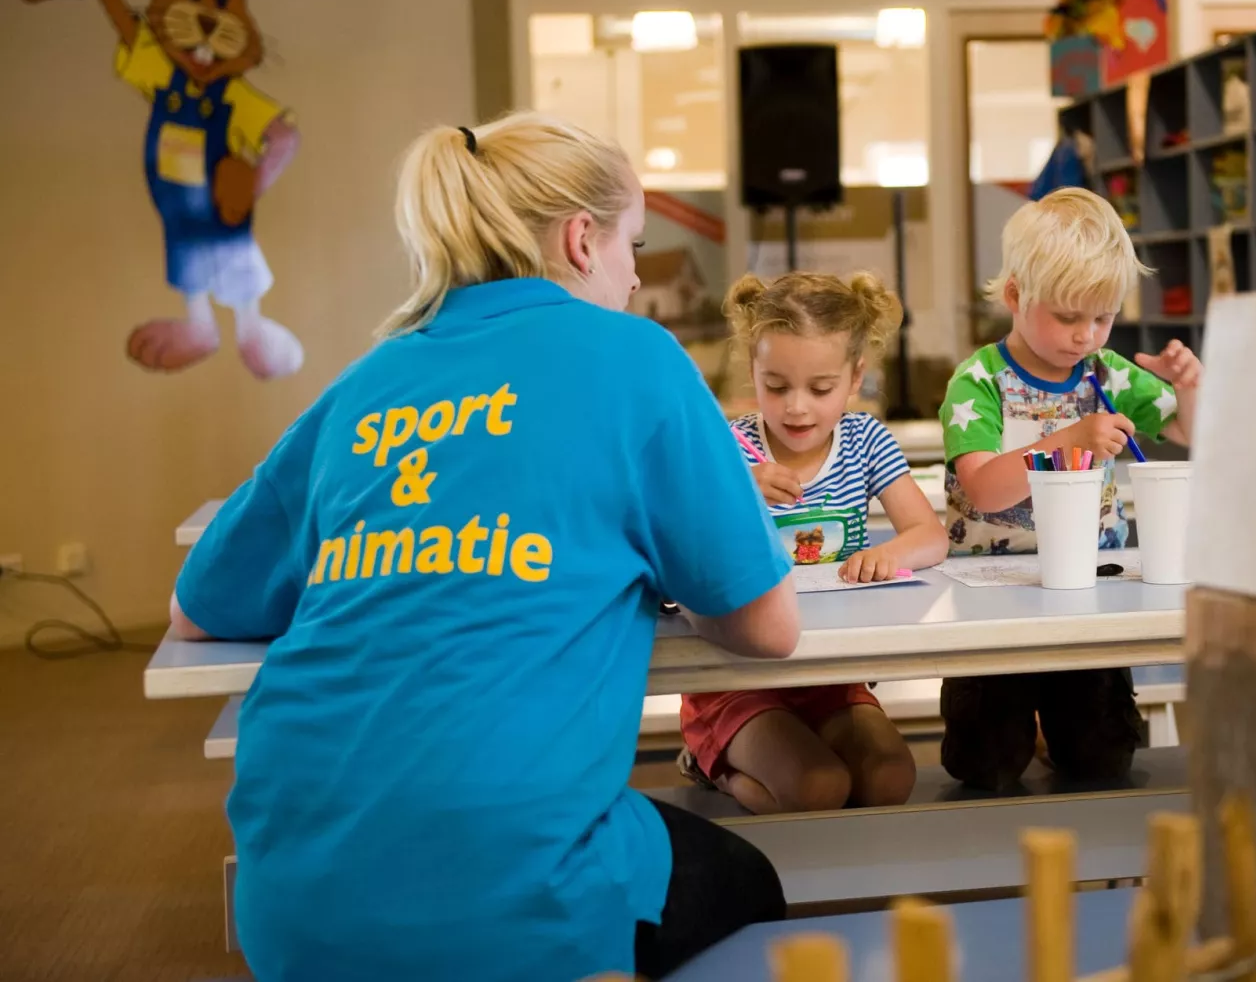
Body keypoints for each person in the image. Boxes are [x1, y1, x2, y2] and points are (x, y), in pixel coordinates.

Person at [169, 113, 799, 982]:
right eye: (634, 247)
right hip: (504, 876)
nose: (633, 275)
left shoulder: (371, 378)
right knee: (748, 886)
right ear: (583, 240)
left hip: (293, 877)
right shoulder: (636, 356)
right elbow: (768, 626)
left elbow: (195, 608)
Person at [937, 187, 1204, 790]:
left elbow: (1188, 429)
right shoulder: (979, 381)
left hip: (1091, 594)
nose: (1087, 335)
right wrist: (1067, 437)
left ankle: (1055, 730)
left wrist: (1190, 384)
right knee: (984, 764)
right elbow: (982, 489)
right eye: (1067, 316)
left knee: (1103, 758)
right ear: (1014, 295)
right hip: (993, 598)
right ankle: (1023, 731)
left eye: (1103, 317)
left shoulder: (1106, 372)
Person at [677, 273, 948, 814]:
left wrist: (887, 554)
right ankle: (715, 766)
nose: (796, 408)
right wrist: (734, 490)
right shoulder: (730, 449)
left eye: (820, 389)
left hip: (830, 673)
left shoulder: (866, 441)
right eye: (775, 386)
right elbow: (684, 544)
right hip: (739, 678)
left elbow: (931, 535)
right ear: (752, 372)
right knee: (816, 787)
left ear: (854, 379)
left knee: (891, 778)